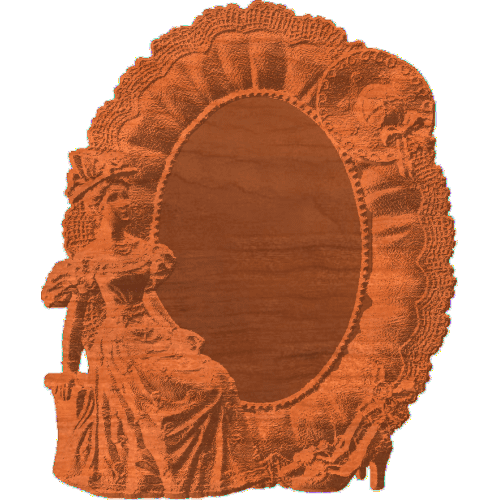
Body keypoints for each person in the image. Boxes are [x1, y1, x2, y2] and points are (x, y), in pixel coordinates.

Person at [42, 173, 269, 498]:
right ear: (96, 206)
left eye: (126, 195)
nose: (125, 203)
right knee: (155, 408)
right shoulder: (88, 259)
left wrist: (175, 332)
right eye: (115, 197)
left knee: (217, 380)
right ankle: (168, 476)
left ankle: (212, 472)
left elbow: (149, 298)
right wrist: (69, 368)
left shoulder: (144, 250)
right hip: (117, 346)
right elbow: (76, 318)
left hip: (150, 334)